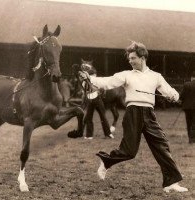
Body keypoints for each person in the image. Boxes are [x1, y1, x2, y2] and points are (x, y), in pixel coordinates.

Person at [79, 42, 188, 192]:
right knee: (129, 152)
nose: (130, 61)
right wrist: (90, 79)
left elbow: (168, 91)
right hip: (132, 114)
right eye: (129, 58)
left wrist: (174, 96)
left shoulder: (156, 76)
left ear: (143, 58)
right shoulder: (126, 75)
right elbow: (108, 81)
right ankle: (106, 161)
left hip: (149, 114)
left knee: (162, 146)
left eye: (133, 58)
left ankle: (171, 182)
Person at [80, 64, 114, 139]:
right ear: (94, 74)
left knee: (89, 118)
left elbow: (84, 92)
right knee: (103, 116)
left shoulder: (84, 81)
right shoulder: (97, 80)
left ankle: (89, 135)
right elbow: (103, 88)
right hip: (97, 99)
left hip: (90, 99)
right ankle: (108, 134)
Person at [180, 71, 195, 144]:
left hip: (187, 107)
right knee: (194, 123)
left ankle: (190, 138)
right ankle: (192, 139)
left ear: (191, 77)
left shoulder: (186, 84)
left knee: (188, 123)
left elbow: (182, 95)